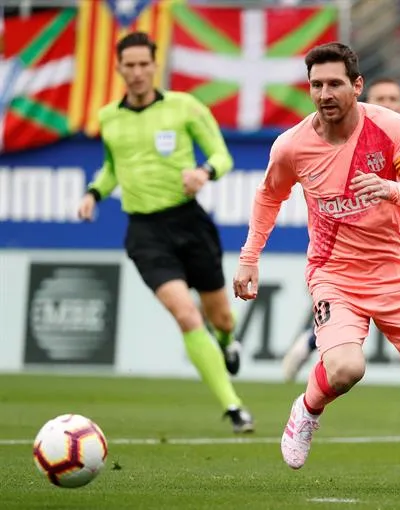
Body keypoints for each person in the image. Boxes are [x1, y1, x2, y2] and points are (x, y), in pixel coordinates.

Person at [233, 42, 400, 492]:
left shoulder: (390, 127)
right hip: (335, 274)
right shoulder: (292, 146)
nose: (325, 93)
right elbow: (269, 196)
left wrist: (389, 189)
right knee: (345, 368)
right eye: (316, 84)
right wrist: (249, 259)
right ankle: (306, 409)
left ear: (356, 86)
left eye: (334, 83)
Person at [77, 32, 254, 434]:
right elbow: (111, 168)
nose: (137, 72)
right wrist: (94, 192)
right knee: (185, 314)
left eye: (144, 64)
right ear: (119, 68)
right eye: (130, 65)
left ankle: (227, 343)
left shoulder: (184, 107)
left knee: (221, 317)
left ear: (155, 65)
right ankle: (233, 406)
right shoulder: (109, 118)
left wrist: (203, 173)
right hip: (145, 231)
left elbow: (221, 156)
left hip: (189, 222)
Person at [280, 77, 400, 405]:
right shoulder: (353, 142)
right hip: (353, 253)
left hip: (397, 245)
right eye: (381, 98)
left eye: (393, 98)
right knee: (354, 320)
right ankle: (310, 344)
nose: (387, 104)